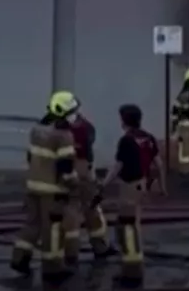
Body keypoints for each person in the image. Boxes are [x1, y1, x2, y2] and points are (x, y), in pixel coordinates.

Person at [10, 91, 81, 282]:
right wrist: (75, 185)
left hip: (33, 186)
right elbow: (65, 168)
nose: (75, 115)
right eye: (73, 111)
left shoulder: (37, 130)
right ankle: (52, 267)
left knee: (32, 224)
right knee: (52, 229)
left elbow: (30, 157)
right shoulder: (64, 135)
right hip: (53, 191)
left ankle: (19, 258)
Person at [102, 104, 165, 287]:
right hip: (142, 184)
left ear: (124, 120)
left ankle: (132, 270)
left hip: (130, 184)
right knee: (132, 223)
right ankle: (131, 265)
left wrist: (104, 184)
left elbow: (118, 166)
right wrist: (162, 187)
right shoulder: (148, 138)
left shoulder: (127, 141)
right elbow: (159, 164)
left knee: (127, 226)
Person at [65, 109, 110, 263]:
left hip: (69, 169)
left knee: (71, 208)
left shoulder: (60, 130)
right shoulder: (86, 127)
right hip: (85, 169)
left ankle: (70, 252)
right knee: (91, 207)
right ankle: (100, 246)